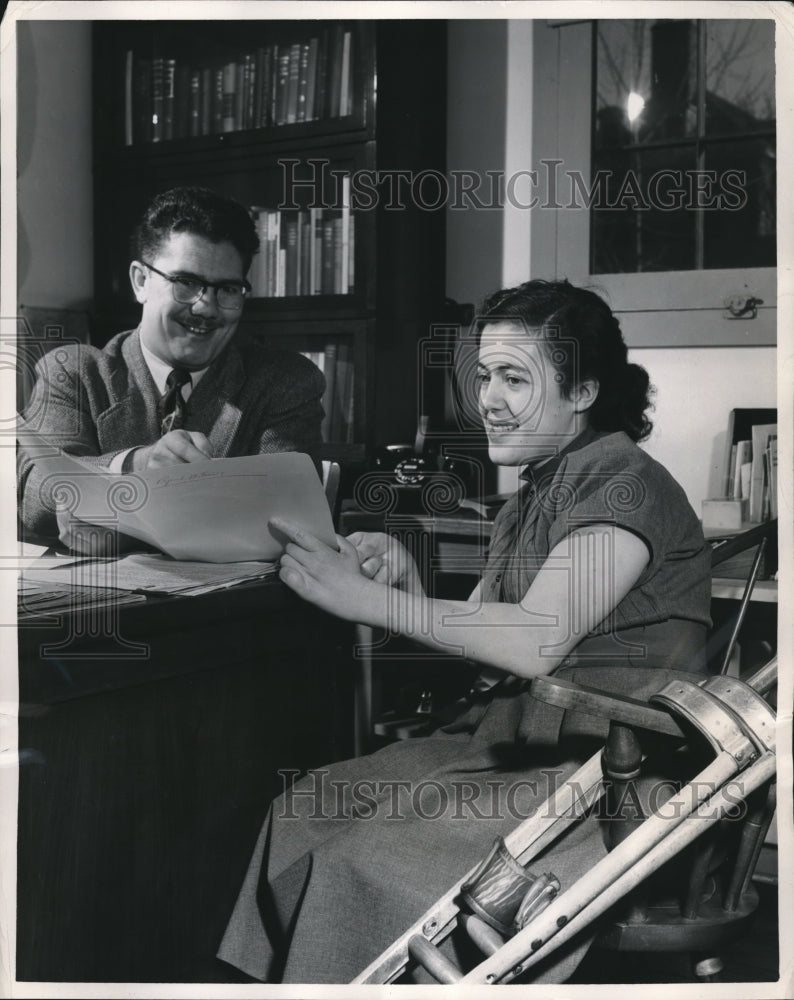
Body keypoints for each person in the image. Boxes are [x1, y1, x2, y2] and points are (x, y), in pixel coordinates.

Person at [218, 279, 712, 984]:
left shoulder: (621, 485)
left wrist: (366, 600)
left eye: (515, 378)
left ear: (583, 392)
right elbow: (487, 638)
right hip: (516, 741)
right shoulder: (541, 486)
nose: (488, 398)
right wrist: (404, 585)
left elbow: (532, 640)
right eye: (483, 375)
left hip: (607, 775)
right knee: (299, 812)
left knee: (360, 861)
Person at [17, 186, 325, 540]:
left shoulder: (284, 382)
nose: (206, 307)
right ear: (141, 281)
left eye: (227, 289)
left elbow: (285, 522)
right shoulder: (71, 372)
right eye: (186, 282)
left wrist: (103, 507)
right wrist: (137, 466)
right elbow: (33, 496)